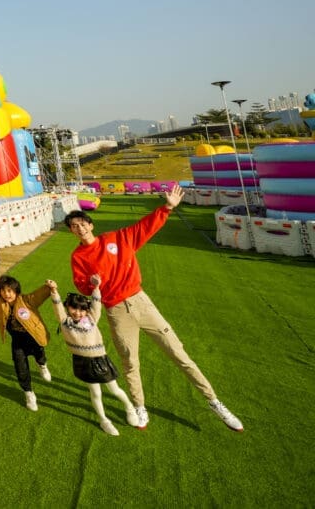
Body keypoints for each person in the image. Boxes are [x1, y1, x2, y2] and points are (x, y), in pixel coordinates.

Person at [64, 184, 243, 431]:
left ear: (90, 224)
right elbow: (81, 284)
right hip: (116, 310)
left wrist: (167, 207)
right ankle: (139, 406)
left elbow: (144, 227)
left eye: (83, 223)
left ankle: (214, 402)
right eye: (74, 226)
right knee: (130, 362)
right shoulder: (78, 256)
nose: (80, 228)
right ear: (72, 231)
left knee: (178, 353)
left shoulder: (117, 238)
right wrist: (91, 284)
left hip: (141, 302)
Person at [47, 276, 139, 435]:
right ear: (68, 307)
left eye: (82, 309)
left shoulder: (91, 318)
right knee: (95, 393)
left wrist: (96, 287)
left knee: (114, 390)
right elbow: (57, 307)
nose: (78, 313)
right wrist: (54, 291)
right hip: (82, 361)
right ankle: (104, 420)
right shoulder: (65, 321)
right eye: (74, 308)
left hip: (99, 360)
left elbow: (96, 303)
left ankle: (130, 408)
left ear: (87, 310)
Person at [0, 271, 52, 411]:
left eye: (9, 291)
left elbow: (39, 295)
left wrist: (49, 287)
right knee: (20, 367)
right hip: (17, 341)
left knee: (40, 355)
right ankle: (29, 393)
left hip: (34, 338)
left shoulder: (27, 300)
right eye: (3, 291)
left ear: (16, 291)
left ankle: (42, 365)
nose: (6, 294)